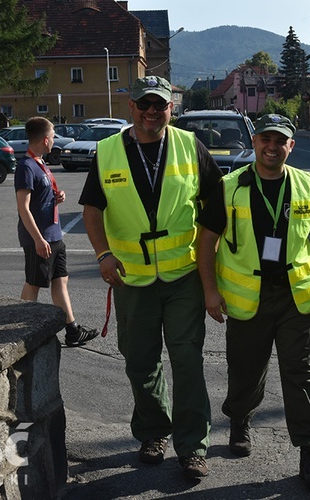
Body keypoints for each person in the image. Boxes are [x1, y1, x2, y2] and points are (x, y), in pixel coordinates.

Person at [79, 76, 222, 480]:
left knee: (187, 360)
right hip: (130, 280)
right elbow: (91, 209)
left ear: (170, 109)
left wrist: (209, 266)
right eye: (144, 104)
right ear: (132, 107)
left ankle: (193, 446)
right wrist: (103, 254)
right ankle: (154, 433)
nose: (151, 112)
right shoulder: (108, 151)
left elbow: (215, 205)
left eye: (159, 105)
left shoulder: (190, 146)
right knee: (140, 362)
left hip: (182, 277)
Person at [197, 114, 310, 491]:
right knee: (246, 369)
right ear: (254, 142)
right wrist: (210, 291)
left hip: (295, 296)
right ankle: (240, 418)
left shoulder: (307, 184)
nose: (272, 147)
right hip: (248, 299)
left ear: (291, 146)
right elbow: (206, 242)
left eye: (281, 141)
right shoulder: (230, 186)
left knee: (302, 375)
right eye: (265, 140)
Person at [14, 116, 99, 347]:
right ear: (45, 139)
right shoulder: (26, 166)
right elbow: (23, 208)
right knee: (34, 283)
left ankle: (72, 330)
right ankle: (23, 332)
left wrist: (57, 197)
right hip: (39, 239)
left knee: (60, 280)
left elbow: (41, 199)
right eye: (52, 136)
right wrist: (38, 239)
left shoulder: (41, 163)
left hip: (54, 235)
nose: (54, 140)